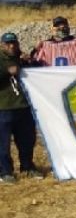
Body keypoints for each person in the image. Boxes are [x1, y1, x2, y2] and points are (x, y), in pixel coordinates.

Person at [0, 33, 41, 182]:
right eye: (8, 43)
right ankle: (5, 172)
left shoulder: (20, 58)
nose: (11, 46)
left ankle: (27, 166)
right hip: (4, 107)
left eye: (14, 43)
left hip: (24, 106)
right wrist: (6, 72)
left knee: (27, 140)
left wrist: (30, 58)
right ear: (2, 45)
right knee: (3, 143)